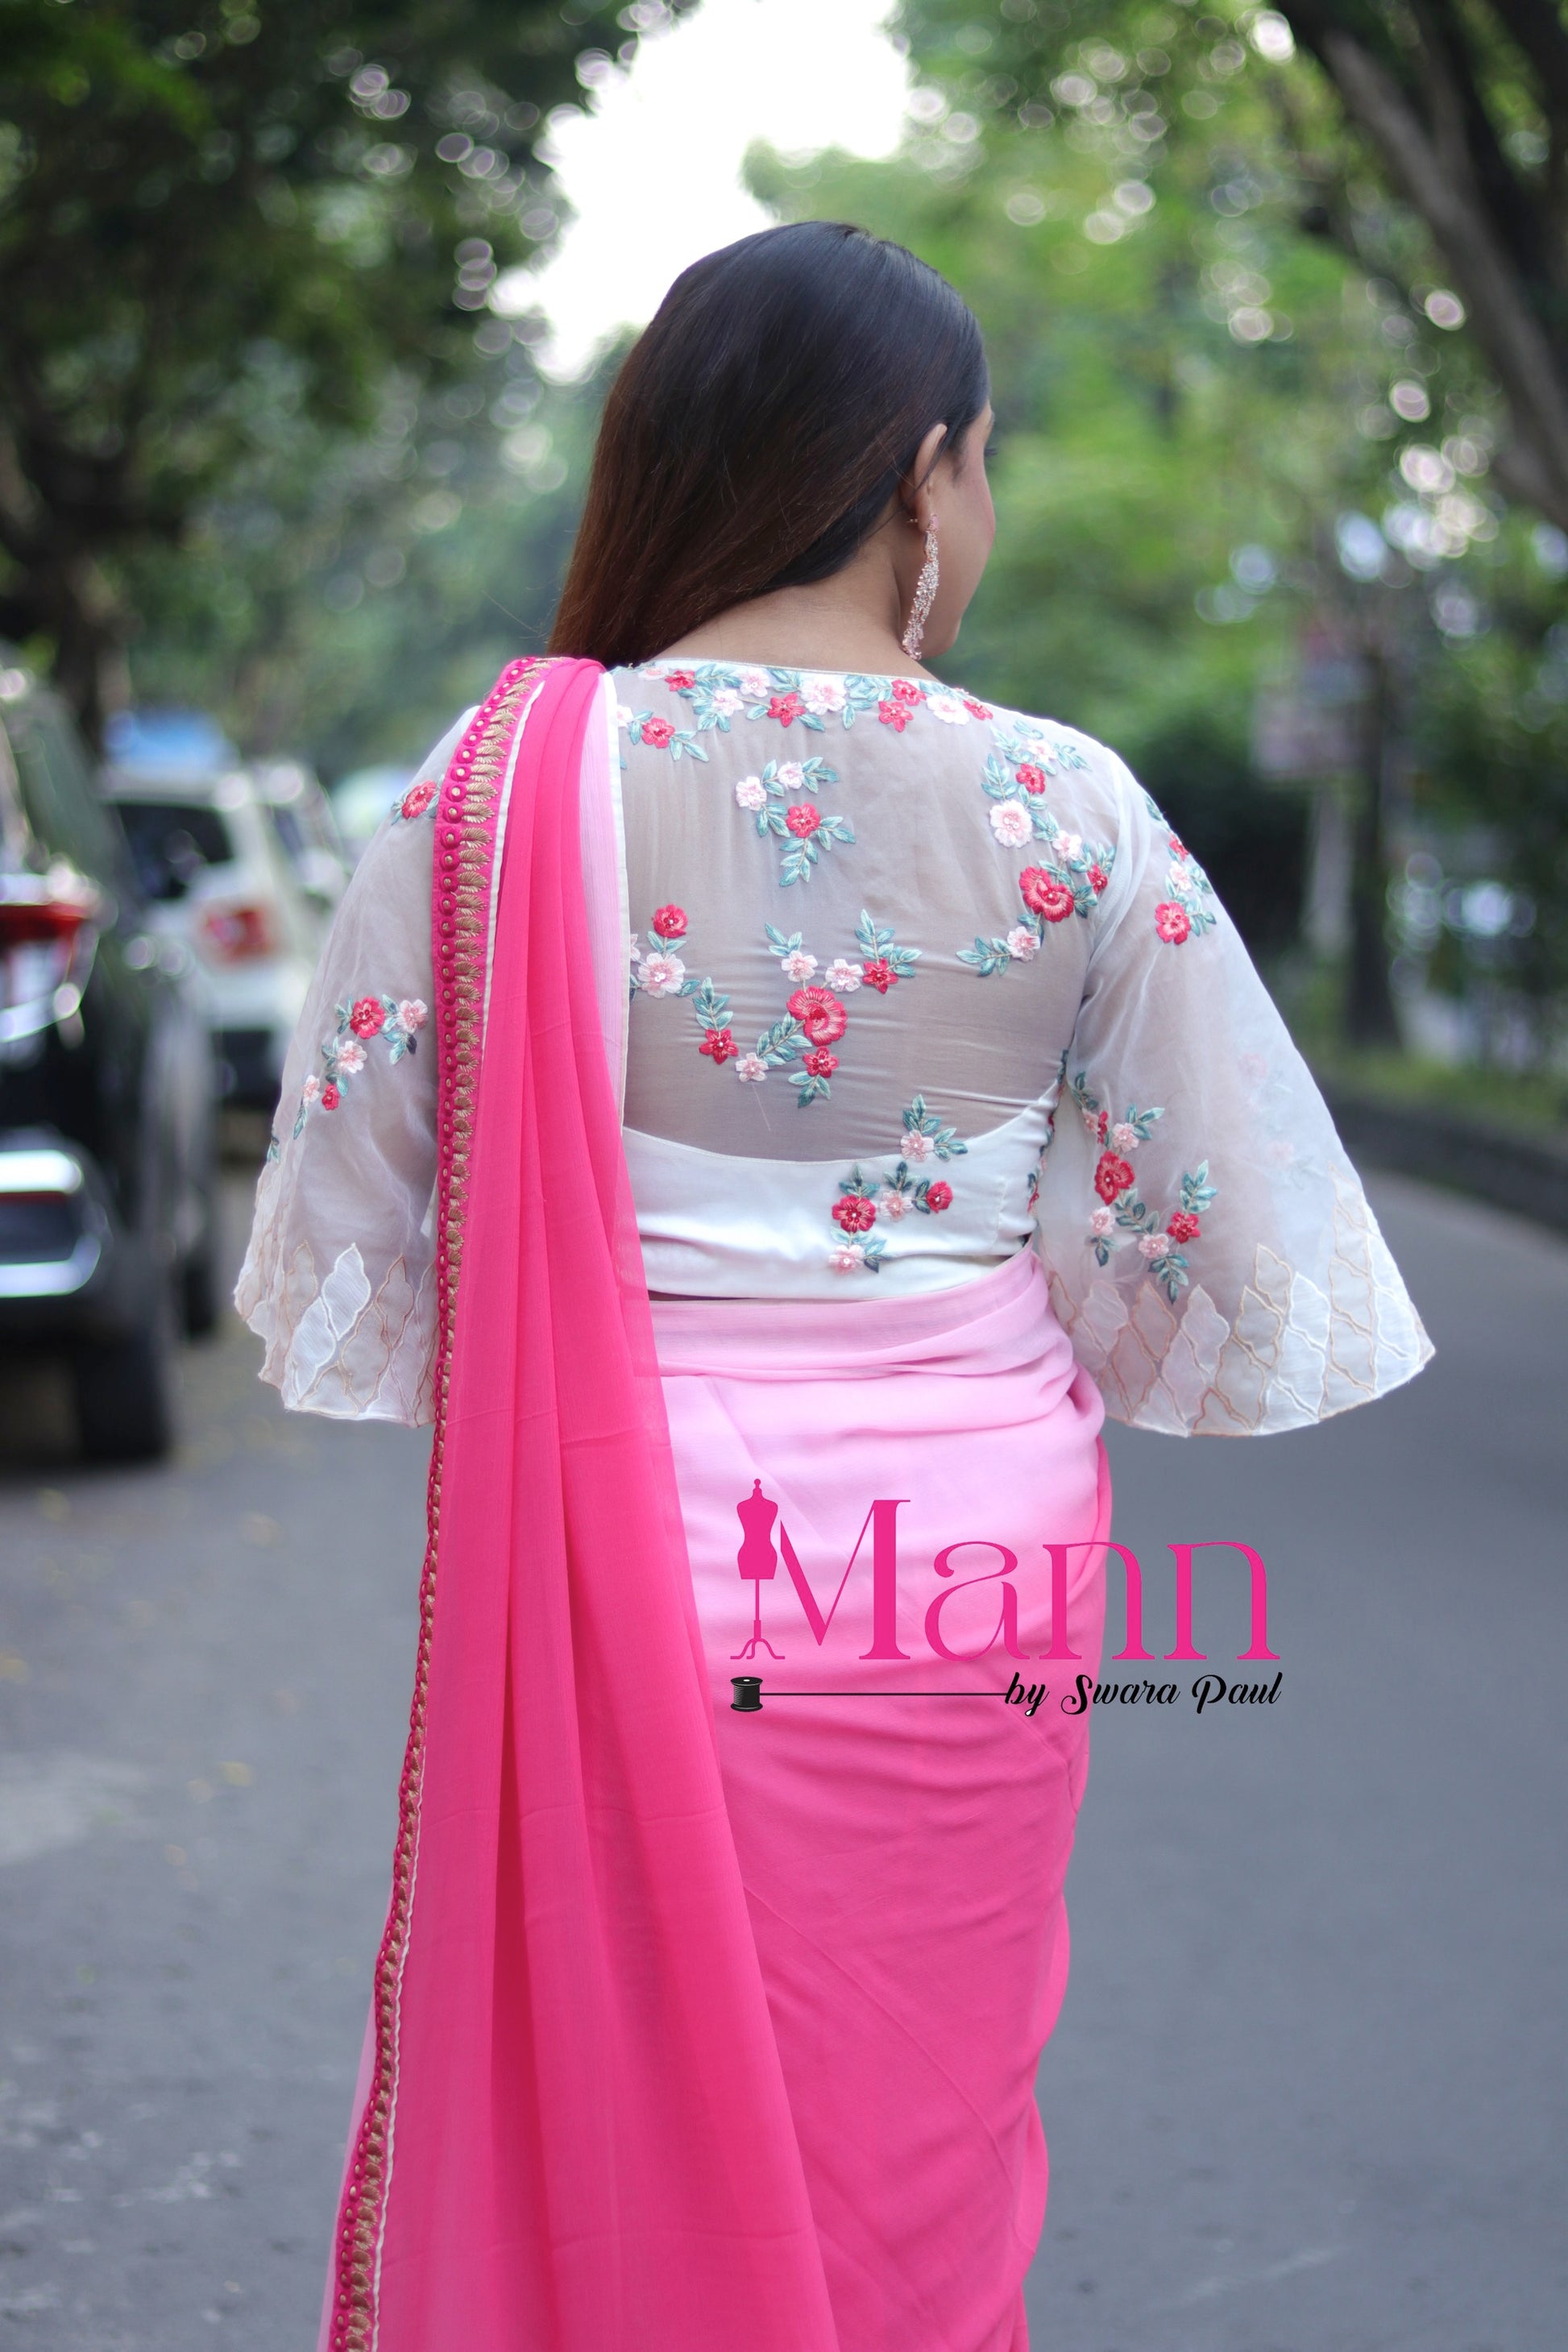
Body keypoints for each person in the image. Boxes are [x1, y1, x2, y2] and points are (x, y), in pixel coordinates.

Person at [236, 222, 1432, 2352]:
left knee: (600, 2154)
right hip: (959, 1580)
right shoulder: (1066, 808)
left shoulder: (488, 799)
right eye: (975, 468)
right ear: (920, 471)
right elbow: (1231, 1275)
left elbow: (372, 1252)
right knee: (913, 2146)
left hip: (620, 1566)